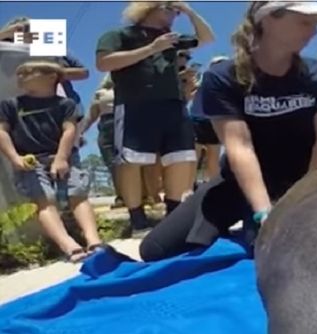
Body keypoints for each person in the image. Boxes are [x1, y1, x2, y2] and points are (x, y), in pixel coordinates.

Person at [139, 0, 317, 262]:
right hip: (243, 177)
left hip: (304, 176)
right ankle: (246, 218)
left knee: (281, 249)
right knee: (155, 250)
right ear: (269, 20)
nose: (314, 32)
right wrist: (263, 212)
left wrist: (305, 203)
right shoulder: (222, 77)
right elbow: (240, 147)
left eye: (315, 24)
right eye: (305, 22)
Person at [95, 0, 214, 237]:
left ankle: (174, 216)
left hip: (172, 105)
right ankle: (138, 220)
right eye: (171, 9)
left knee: (181, 159)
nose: (175, 15)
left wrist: (189, 11)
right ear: (150, 8)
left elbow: (207, 38)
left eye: (178, 11)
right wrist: (151, 48)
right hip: (134, 104)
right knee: (131, 161)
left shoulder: (172, 37)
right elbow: (103, 63)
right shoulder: (119, 34)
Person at [0, 61, 103, 262]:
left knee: (78, 194)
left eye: (28, 72)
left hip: (63, 155)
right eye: (19, 73)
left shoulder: (65, 104)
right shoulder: (10, 105)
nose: (21, 76)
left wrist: (62, 158)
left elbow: (69, 130)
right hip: (30, 160)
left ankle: (94, 240)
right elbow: (2, 132)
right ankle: (69, 246)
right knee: (44, 200)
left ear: (51, 76)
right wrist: (14, 158)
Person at [79, 74, 124, 208]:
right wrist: (80, 132)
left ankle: (140, 195)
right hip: (106, 127)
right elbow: (91, 115)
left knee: (128, 161)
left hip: (126, 123)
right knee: (112, 162)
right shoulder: (100, 94)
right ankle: (121, 196)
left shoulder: (134, 88)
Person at [188, 55, 230, 183]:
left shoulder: (226, 82)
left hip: (214, 121)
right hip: (198, 120)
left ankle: (212, 187)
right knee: (194, 156)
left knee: (213, 158)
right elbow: (190, 95)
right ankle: (189, 187)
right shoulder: (205, 79)